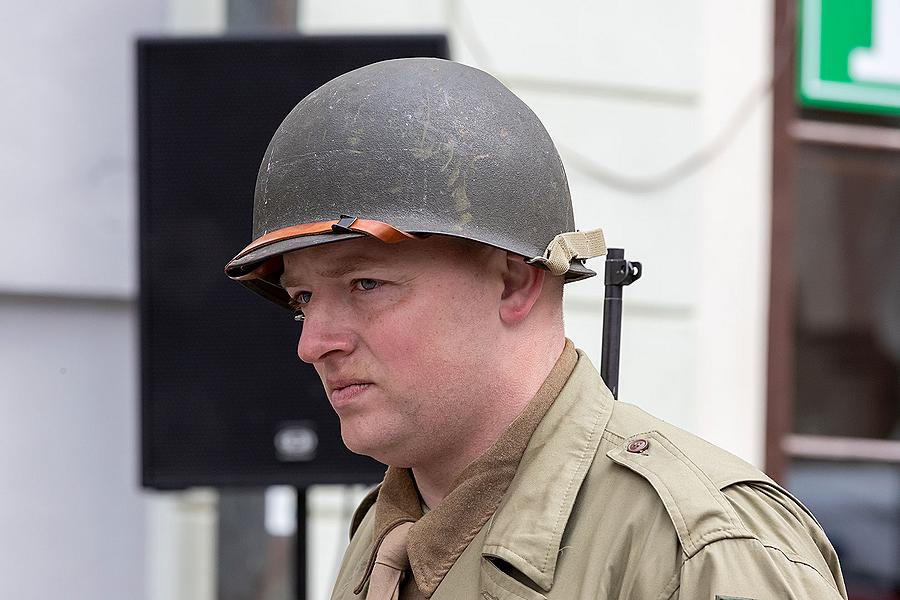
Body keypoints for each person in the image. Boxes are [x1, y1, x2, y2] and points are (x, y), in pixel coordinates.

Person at [225, 58, 847, 599]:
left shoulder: (700, 547)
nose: (313, 344)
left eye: (366, 285)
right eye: (304, 298)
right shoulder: (386, 538)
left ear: (515, 282)